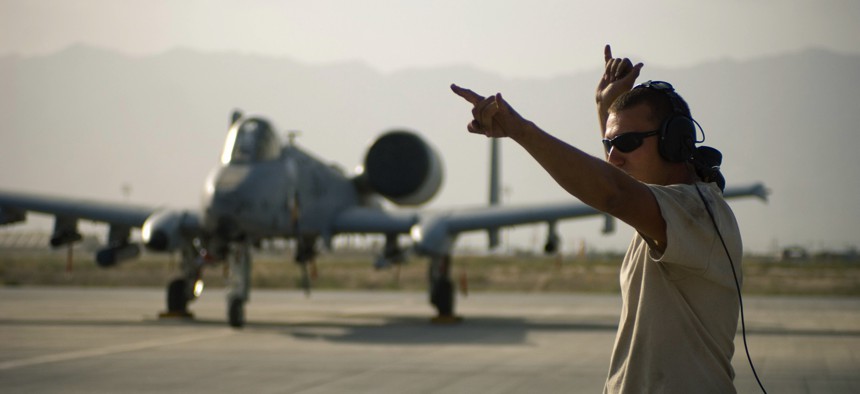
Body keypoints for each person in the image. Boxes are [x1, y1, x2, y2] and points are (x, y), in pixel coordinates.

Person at [451, 45, 742, 393]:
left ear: (674, 142)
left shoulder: (695, 211)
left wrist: (520, 130)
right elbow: (614, 178)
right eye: (609, 143)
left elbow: (612, 192)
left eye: (629, 142)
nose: (614, 155)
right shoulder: (663, 213)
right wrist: (604, 105)